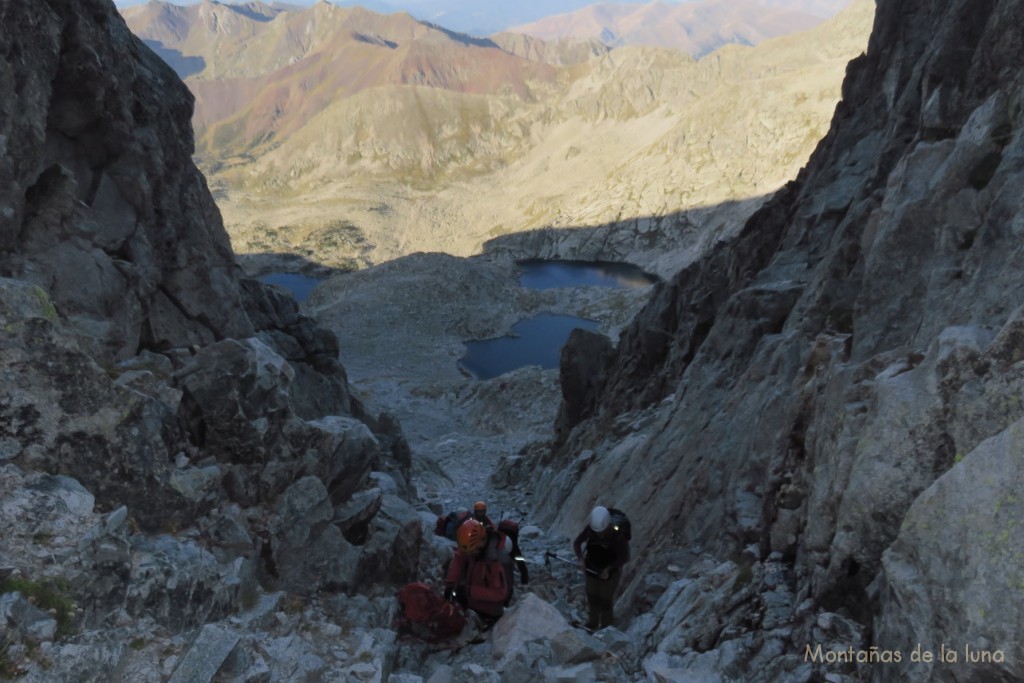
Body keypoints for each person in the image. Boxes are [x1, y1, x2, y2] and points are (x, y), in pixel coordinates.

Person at [573, 505, 630, 631]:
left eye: (601, 532)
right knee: (592, 595)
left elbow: (624, 557)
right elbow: (577, 543)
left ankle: (606, 627)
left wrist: (608, 569)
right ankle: (592, 623)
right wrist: (581, 559)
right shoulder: (591, 529)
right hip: (591, 567)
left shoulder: (618, 535)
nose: (599, 534)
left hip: (611, 573)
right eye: (597, 532)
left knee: (605, 599)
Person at [445, 518, 514, 620]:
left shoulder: (497, 559)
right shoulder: (474, 544)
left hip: (490, 608)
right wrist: (451, 583)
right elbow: (460, 556)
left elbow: (500, 593)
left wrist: (469, 591)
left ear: (482, 542)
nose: (469, 554)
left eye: (472, 551)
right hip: (472, 594)